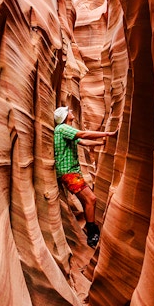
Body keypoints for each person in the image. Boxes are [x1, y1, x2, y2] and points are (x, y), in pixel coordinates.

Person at [53, 106, 118, 248]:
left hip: (71, 172)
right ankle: (92, 234)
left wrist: (100, 143)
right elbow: (83, 135)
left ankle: (92, 230)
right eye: (68, 111)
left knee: (86, 201)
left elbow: (83, 142)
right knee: (91, 199)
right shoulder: (63, 128)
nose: (71, 111)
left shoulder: (64, 131)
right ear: (64, 116)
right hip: (69, 173)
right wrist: (108, 134)